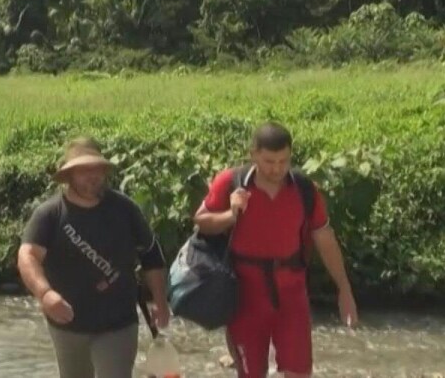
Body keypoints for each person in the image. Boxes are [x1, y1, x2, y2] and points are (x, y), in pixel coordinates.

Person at [194, 122, 359, 378]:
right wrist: (231, 214)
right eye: (269, 161)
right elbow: (202, 221)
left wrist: (344, 288)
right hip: (244, 295)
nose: (277, 169)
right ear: (254, 154)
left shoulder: (304, 189)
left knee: (299, 371)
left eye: (284, 161)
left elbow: (325, 239)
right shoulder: (231, 182)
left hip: (291, 294)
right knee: (250, 373)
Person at [18, 137, 170, 378]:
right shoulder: (50, 215)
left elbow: (151, 255)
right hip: (66, 325)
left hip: (118, 324)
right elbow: (28, 256)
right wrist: (44, 293)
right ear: (69, 176)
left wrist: (161, 302)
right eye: (83, 171)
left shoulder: (125, 209)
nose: (92, 176)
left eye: (97, 169)